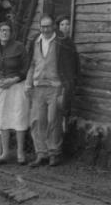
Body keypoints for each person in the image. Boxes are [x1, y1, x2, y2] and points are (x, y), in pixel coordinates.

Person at [24, 15, 77, 167]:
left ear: (54, 26)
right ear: (39, 27)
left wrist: (66, 87)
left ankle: (54, 153)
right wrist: (28, 83)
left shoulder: (62, 42)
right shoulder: (35, 41)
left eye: (48, 26)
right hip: (38, 87)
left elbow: (71, 67)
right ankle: (41, 153)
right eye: (43, 27)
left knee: (53, 120)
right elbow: (32, 64)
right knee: (37, 121)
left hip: (55, 87)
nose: (45, 29)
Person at [0, 21, 31, 165]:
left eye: (7, 30)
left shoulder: (19, 47)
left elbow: (26, 68)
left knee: (19, 117)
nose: (4, 33)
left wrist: (13, 80)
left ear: (11, 32)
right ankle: (5, 152)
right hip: (0, 88)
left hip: (16, 87)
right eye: (2, 31)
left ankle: (20, 152)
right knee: (2, 117)